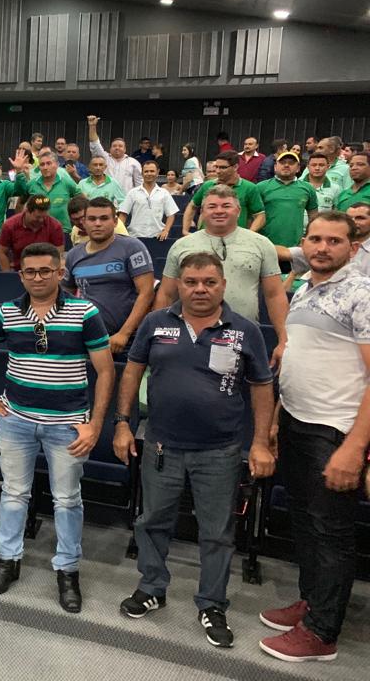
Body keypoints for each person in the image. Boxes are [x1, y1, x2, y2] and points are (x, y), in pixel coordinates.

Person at [114, 252, 274, 647]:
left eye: (209, 282)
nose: (200, 289)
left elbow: (261, 387)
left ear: (223, 285)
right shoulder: (155, 322)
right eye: (191, 282)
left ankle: (212, 603)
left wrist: (260, 442)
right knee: (152, 520)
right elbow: (132, 371)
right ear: (179, 285)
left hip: (220, 450)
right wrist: (122, 424)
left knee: (217, 532)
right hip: (161, 444)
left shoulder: (245, 330)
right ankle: (152, 587)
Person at [0, 242, 114, 612]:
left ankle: (67, 570)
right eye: (30, 272)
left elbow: (105, 370)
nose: (37, 278)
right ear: (21, 275)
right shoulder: (7, 312)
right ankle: (7, 561)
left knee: (67, 500)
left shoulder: (84, 312)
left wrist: (95, 424)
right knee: (13, 494)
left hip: (67, 425)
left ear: (59, 273)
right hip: (16, 421)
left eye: (45, 271)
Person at [260, 213, 370, 663]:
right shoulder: (305, 287)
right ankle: (312, 603)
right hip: (297, 422)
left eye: (334, 241)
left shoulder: (362, 293)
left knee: (331, 533)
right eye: (316, 239)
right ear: (304, 243)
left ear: (353, 247)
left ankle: (322, 633)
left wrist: (355, 447)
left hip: (336, 430)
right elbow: (297, 358)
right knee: (306, 523)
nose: (323, 248)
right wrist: (276, 420)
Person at [155, 185, 288, 366]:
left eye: (226, 206)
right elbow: (166, 294)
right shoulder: (181, 246)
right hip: (189, 337)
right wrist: (158, 334)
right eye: (212, 206)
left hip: (243, 337)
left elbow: (275, 295)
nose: (219, 211)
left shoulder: (262, 244)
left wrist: (284, 339)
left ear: (238, 211)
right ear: (202, 212)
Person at [63, 198, 155, 354]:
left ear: (115, 221)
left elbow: (146, 293)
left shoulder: (132, 247)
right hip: (85, 339)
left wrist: (124, 334)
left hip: (126, 341)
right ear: (84, 222)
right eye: (92, 219)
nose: (97, 223)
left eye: (104, 218)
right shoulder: (73, 255)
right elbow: (65, 296)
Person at [181, 151, 266, 234]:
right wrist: (185, 230)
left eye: (223, 167)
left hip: (235, 238)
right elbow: (192, 206)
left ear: (235, 167)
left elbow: (260, 215)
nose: (218, 171)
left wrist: (249, 235)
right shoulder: (207, 185)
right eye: (216, 167)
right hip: (207, 238)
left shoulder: (249, 188)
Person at [256, 151, 319, 248]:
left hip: (295, 246)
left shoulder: (308, 188)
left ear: (298, 168)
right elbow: (253, 217)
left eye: (291, 163)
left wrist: (309, 238)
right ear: (275, 167)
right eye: (282, 162)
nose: (286, 165)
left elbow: (313, 217)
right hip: (265, 245)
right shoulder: (261, 187)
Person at [0, 194, 64, 271]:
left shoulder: (55, 226)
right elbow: (2, 252)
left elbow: (58, 254)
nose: (41, 220)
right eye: (38, 217)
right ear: (26, 211)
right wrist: (7, 275)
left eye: (44, 217)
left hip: (46, 271)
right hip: (19, 270)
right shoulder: (9, 226)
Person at [25, 151, 83, 234]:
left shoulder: (67, 183)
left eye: (49, 163)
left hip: (63, 231)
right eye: (42, 164)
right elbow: (20, 204)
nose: (45, 167)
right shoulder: (31, 184)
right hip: (36, 232)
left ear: (57, 165)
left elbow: (83, 201)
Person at [118, 160, 179, 239]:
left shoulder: (164, 193)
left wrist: (165, 231)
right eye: (146, 171)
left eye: (152, 171)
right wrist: (120, 233)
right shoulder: (132, 192)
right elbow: (123, 214)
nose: (149, 174)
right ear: (142, 173)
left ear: (157, 172)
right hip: (135, 236)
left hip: (157, 237)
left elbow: (171, 214)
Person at [87, 115, 142, 194]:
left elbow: (139, 184)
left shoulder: (133, 162)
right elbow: (94, 144)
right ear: (110, 148)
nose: (117, 148)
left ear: (125, 149)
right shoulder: (104, 158)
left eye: (120, 146)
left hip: (126, 199)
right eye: (114, 146)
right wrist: (92, 126)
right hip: (105, 198)